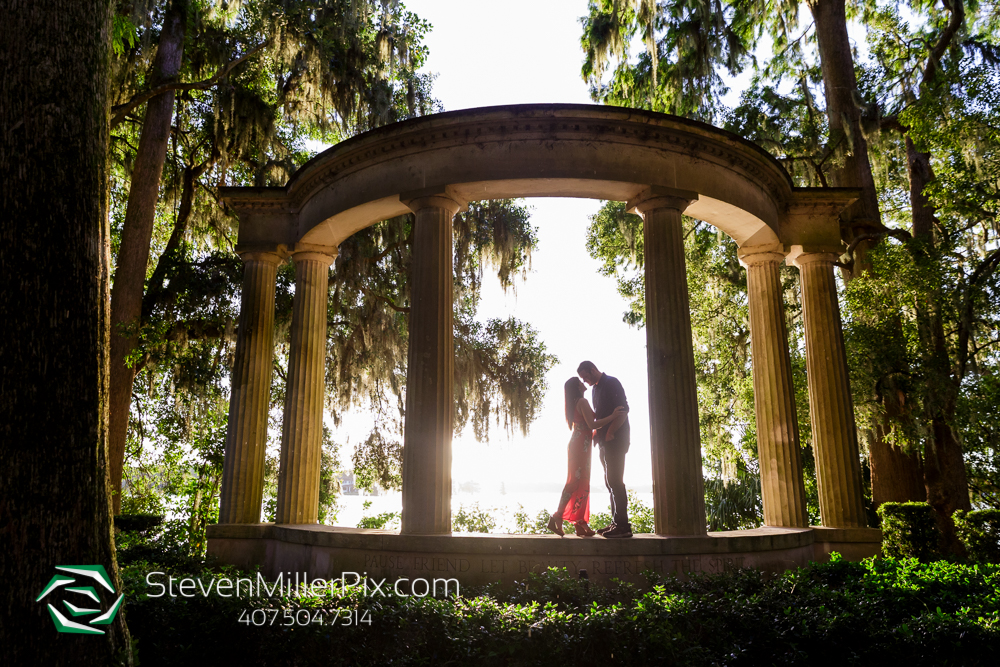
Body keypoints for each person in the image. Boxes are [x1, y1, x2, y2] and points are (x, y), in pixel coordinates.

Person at [547, 377, 626, 537]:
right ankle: (557, 516)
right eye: (580, 381)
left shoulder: (577, 402)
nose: (584, 383)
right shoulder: (582, 401)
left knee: (583, 482)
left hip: (582, 443)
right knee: (575, 480)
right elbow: (592, 424)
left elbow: (588, 425)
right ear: (577, 386)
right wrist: (612, 416)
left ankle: (579, 521)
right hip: (580, 445)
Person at [577, 360, 633, 538]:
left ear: (593, 370)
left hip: (616, 440)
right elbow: (601, 416)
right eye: (582, 379)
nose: (585, 381)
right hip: (603, 442)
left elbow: (623, 411)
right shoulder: (595, 389)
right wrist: (599, 436)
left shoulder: (611, 383)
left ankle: (624, 527)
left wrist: (610, 432)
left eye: (586, 377)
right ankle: (616, 522)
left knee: (616, 481)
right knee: (610, 483)